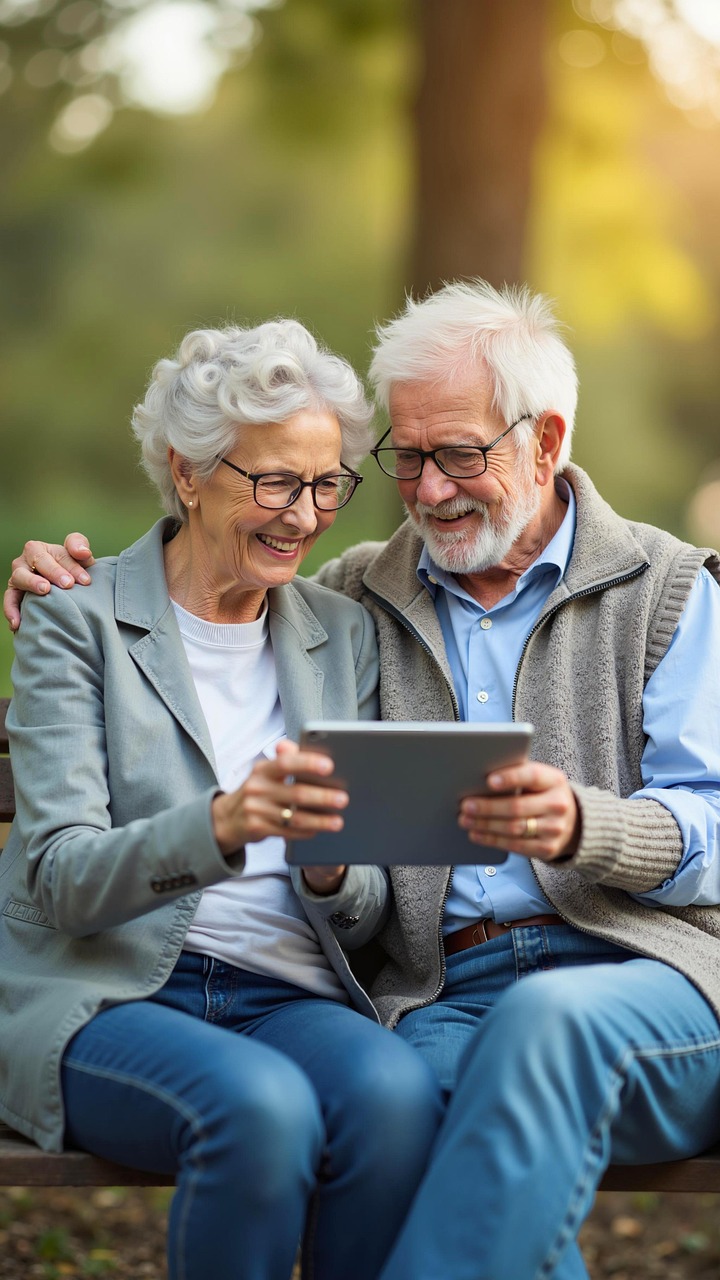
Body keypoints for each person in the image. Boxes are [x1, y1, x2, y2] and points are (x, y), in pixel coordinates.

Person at [8, 280, 720, 1279]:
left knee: (531, 1035)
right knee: (397, 1100)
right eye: (407, 459)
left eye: (459, 454)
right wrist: (326, 867)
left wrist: (585, 825)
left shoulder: (670, 588)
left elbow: (715, 829)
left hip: (641, 969)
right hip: (445, 991)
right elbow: (184, 593)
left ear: (546, 439)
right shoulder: (356, 598)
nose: (428, 491)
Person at [0, 320, 443, 1280]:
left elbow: (361, 900)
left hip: (284, 991)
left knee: (397, 1097)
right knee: (260, 1110)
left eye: (327, 483)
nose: (306, 514)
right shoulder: (76, 622)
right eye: (276, 481)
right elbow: (63, 882)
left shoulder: (339, 631)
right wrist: (225, 826)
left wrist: (333, 866)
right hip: (111, 992)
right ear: (190, 471)